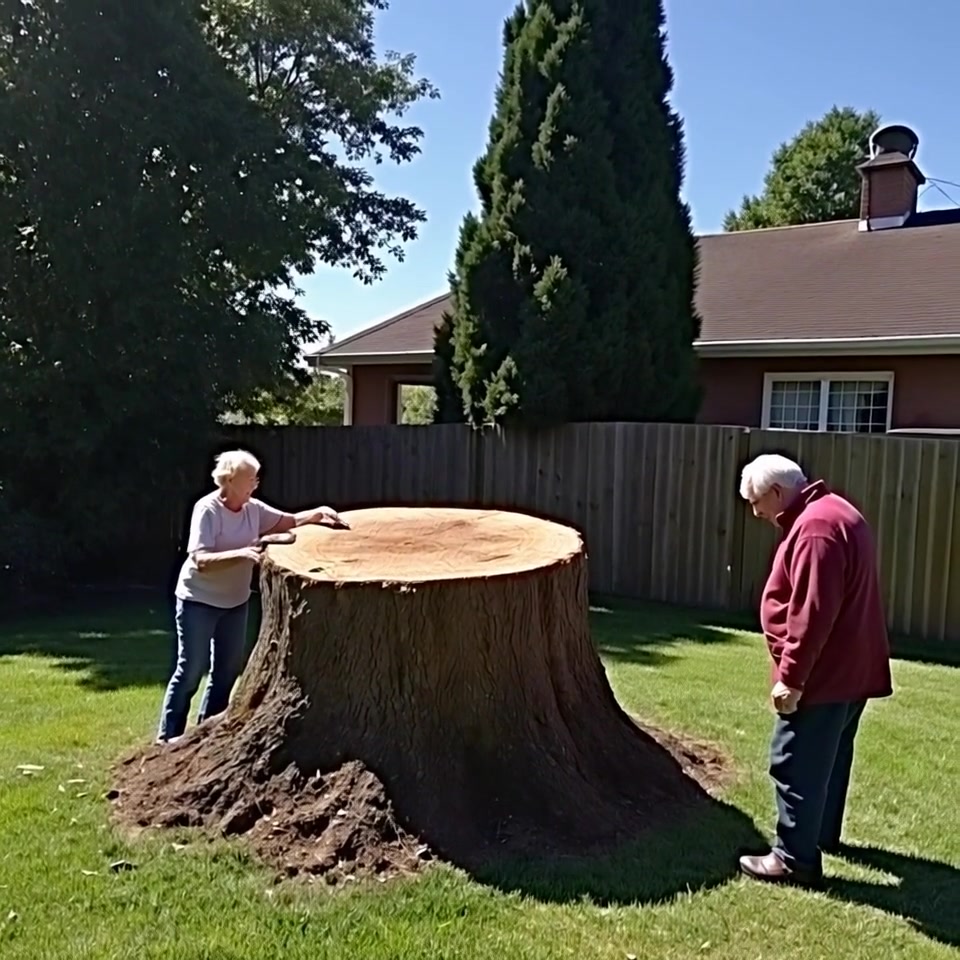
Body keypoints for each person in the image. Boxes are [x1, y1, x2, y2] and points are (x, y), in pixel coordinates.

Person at [736, 453, 892, 887]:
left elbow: (812, 613)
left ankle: (794, 858)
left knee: (795, 760)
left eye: (757, 502)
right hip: (850, 671)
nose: (756, 512)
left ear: (777, 492)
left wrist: (791, 677)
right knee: (832, 755)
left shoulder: (816, 530)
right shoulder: (839, 512)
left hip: (825, 674)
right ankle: (821, 833)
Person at [156, 449, 345, 743]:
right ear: (230, 480)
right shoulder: (207, 509)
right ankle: (167, 739)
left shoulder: (253, 509)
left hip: (235, 603)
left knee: (227, 673)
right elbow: (200, 560)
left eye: (256, 479)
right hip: (198, 601)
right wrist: (242, 553)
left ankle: (207, 738)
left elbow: (288, 520)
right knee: (191, 670)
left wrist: (318, 513)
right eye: (251, 479)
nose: (256, 484)